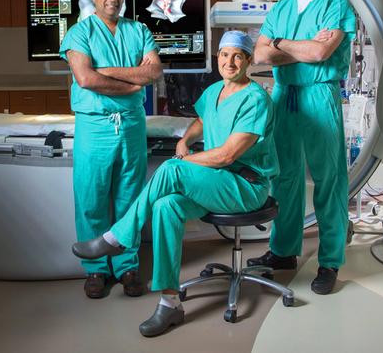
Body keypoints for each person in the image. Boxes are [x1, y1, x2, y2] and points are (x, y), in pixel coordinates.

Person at [72, 31, 278, 337]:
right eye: (224, 55)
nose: (230, 62)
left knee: (171, 168)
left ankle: (118, 236)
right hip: (218, 183)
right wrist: (186, 139)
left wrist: (183, 161)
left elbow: (226, 156)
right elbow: (203, 120)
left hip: (246, 187)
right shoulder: (215, 91)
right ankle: (169, 304)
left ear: (248, 60)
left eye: (237, 56)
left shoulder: (256, 99)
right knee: (166, 206)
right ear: (217, 59)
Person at [247, 0, 357, 295]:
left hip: (319, 94)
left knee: (329, 180)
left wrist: (281, 44)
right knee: (285, 178)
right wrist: (298, 48)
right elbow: (261, 56)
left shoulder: (336, 4)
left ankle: (329, 261)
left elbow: (322, 51)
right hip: (284, 96)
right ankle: (283, 251)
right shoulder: (280, 9)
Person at [60, 0, 162, 299]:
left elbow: (155, 71)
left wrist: (106, 72)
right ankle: (96, 270)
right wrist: (133, 84)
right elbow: (85, 80)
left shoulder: (139, 30)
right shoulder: (79, 33)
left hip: (131, 123)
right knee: (92, 198)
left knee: (129, 198)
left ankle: (127, 267)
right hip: (94, 125)